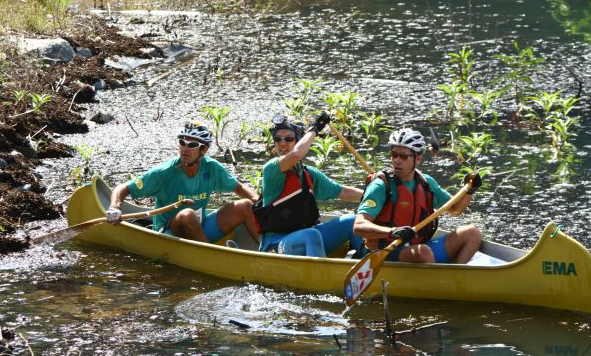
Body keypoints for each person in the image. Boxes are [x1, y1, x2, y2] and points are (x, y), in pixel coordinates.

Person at [105, 121, 260, 244]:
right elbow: (123, 188)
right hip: (169, 231)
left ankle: (267, 251)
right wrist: (114, 207)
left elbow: (239, 188)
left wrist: (258, 201)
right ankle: (210, 256)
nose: (185, 149)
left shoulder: (212, 168)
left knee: (245, 205)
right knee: (187, 214)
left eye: (192, 145)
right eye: (182, 142)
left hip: (200, 225)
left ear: (204, 149)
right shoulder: (163, 172)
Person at [353, 128, 482, 263]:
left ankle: (457, 276)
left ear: (418, 159)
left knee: (472, 233)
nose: (396, 160)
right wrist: (391, 231)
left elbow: (455, 209)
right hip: (386, 251)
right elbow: (358, 226)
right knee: (423, 253)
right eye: (394, 154)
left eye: (403, 156)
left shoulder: (426, 183)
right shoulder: (380, 186)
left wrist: (470, 191)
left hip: (418, 248)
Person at [253, 112, 364, 257]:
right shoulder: (271, 168)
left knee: (353, 221)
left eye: (289, 138)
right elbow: (297, 155)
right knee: (311, 234)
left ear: (298, 141)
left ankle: (369, 267)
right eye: (277, 139)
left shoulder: (309, 174)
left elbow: (344, 192)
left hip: (307, 237)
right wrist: (314, 129)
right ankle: (321, 277)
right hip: (275, 245)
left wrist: (376, 195)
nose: (282, 143)